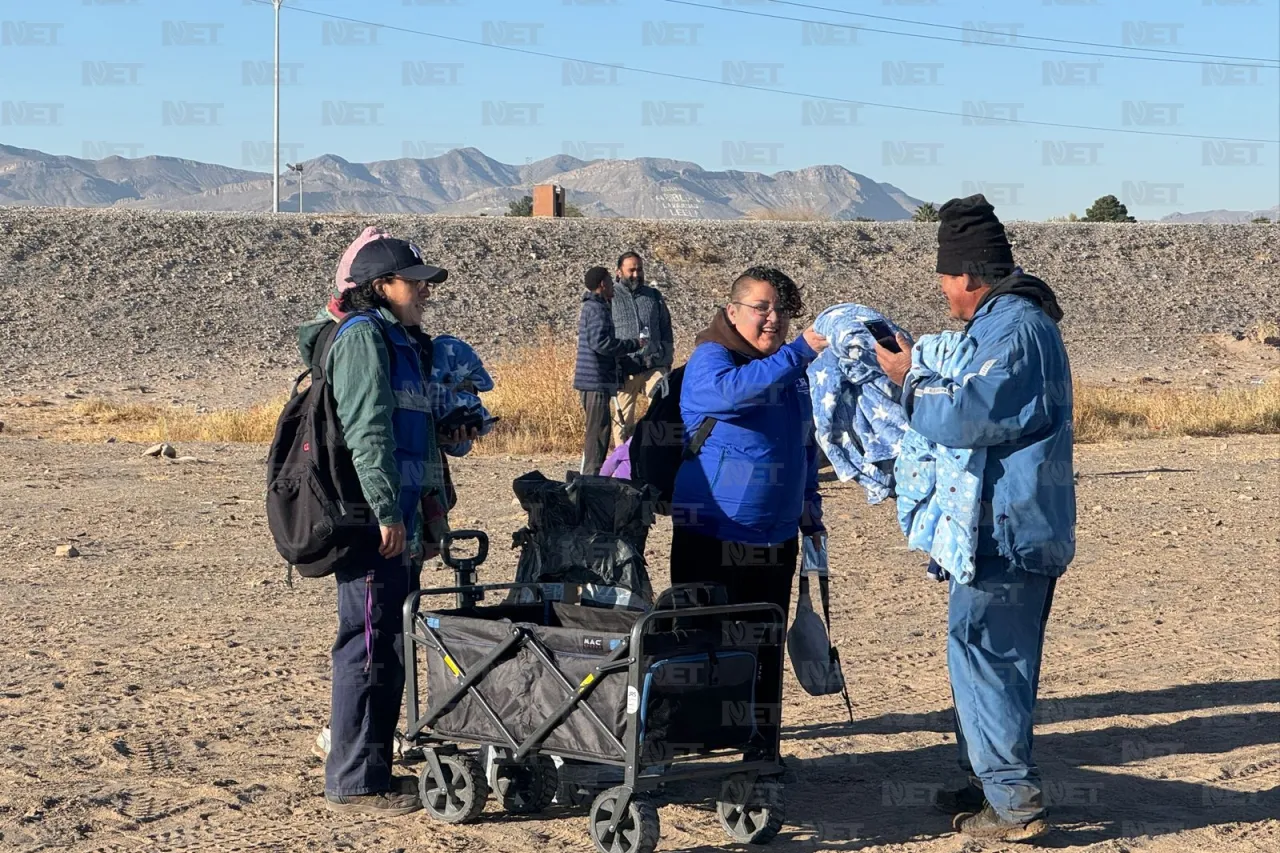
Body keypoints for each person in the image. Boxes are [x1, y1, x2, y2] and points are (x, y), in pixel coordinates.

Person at [875, 194, 1075, 843]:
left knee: (988, 654)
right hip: (1004, 524)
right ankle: (986, 779)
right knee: (982, 652)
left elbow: (970, 411)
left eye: (943, 280)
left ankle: (1013, 801)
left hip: (1009, 529)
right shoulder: (1003, 326)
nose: (943, 293)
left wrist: (909, 379)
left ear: (966, 275)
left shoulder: (1015, 331)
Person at [296, 235, 469, 816]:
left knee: (391, 644)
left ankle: (371, 768)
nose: (424, 290)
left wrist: (436, 502)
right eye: (412, 280)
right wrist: (387, 513)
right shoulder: (364, 337)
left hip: (401, 525)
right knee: (367, 646)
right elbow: (367, 432)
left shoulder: (402, 341)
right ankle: (352, 780)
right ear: (379, 286)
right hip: (375, 526)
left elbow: (410, 435)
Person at [669, 265, 829, 746]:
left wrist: (809, 507)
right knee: (703, 644)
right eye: (761, 308)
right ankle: (698, 742)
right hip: (712, 532)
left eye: (780, 310)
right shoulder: (710, 360)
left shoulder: (787, 370)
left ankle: (762, 747)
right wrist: (798, 353)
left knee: (764, 646)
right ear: (732, 311)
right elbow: (728, 395)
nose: (773, 319)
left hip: (776, 537)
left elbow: (804, 446)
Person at [574, 265, 646, 476]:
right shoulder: (595, 309)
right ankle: (591, 479)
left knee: (598, 431)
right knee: (598, 433)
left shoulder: (596, 307)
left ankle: (591, 477)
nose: (613, 286)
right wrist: (632, 344)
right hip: (594, 380)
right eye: (610, 281)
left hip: (596, 380)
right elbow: (601, 343)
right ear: (603, 284)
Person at [610, 251, 675, 447]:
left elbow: (665, 327)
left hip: (653, 365)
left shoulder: (653, 296)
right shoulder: (610, 297)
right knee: (623, 422)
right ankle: (623, 464)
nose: (636, 274)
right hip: (625, 369)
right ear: (619, 272)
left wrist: (666, 357)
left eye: (639, 269)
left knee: (663, 403)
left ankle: (654, 455)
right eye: (631, 270)